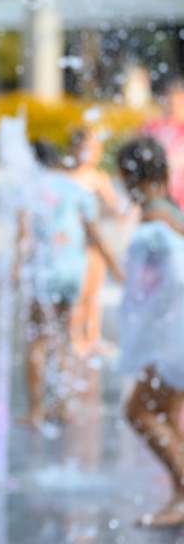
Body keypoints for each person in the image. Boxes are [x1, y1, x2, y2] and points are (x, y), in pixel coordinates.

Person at [16, 141, 122, 428]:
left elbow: (23, 236)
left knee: (37, 339)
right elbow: (94, 232)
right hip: (72, 271)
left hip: (44, 271)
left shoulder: (31, 190)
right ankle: (62, 405)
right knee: (64, 336)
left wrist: (15, 269)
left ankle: (36, 409)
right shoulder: (75, 189)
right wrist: (114, 266)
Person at [117, 137, 184, 528]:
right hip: (175, 331)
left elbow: (176, 275)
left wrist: (153, 322)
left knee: (139, 411)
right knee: (168, 412)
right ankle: (179, 495)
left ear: (128, 176)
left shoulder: (154, 218)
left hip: (174, 334)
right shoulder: (169, 209)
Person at [66, 128, 123, 356]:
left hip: (94, 242)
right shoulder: (68, 177)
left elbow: (114, 209)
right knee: (78, 294)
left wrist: (114, 208)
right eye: (88, 148)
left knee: (94, 292)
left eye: (96, 149)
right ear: (75, 149)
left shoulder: (99, 178)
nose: (92, 153)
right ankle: (75, 336)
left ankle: (93, 336)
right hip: (73, 243)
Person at [144, 79, 184, 210]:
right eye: (170, 102)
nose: (173, 106)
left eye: (177, 103)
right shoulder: (152, 128)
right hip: (157, 193)